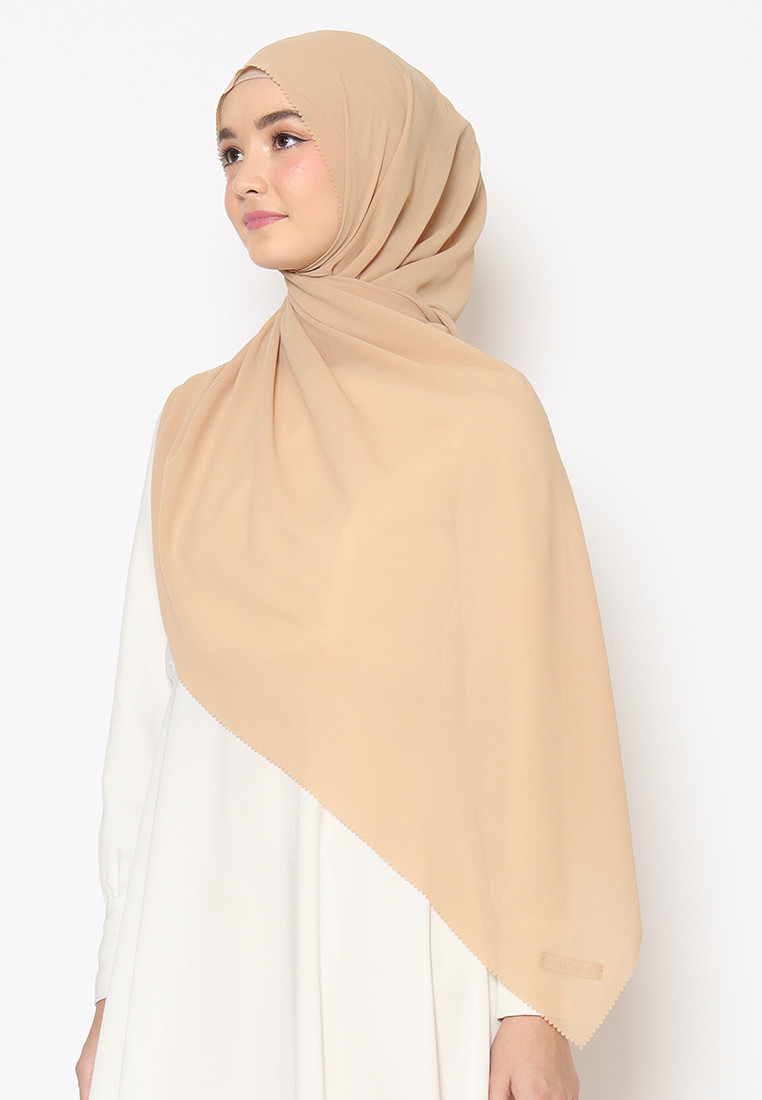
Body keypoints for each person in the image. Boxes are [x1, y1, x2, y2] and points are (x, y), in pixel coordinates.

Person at [76, 30, 640, 1100]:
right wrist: (116, 990)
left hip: (393, 939)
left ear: (384, 155)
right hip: (195, 949)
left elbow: (531, 722)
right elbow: (143, 725)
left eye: (285, 138)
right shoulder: (193, 422)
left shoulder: (484, 420)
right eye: (230, 151)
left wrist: (534, 1007)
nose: (248, 178)